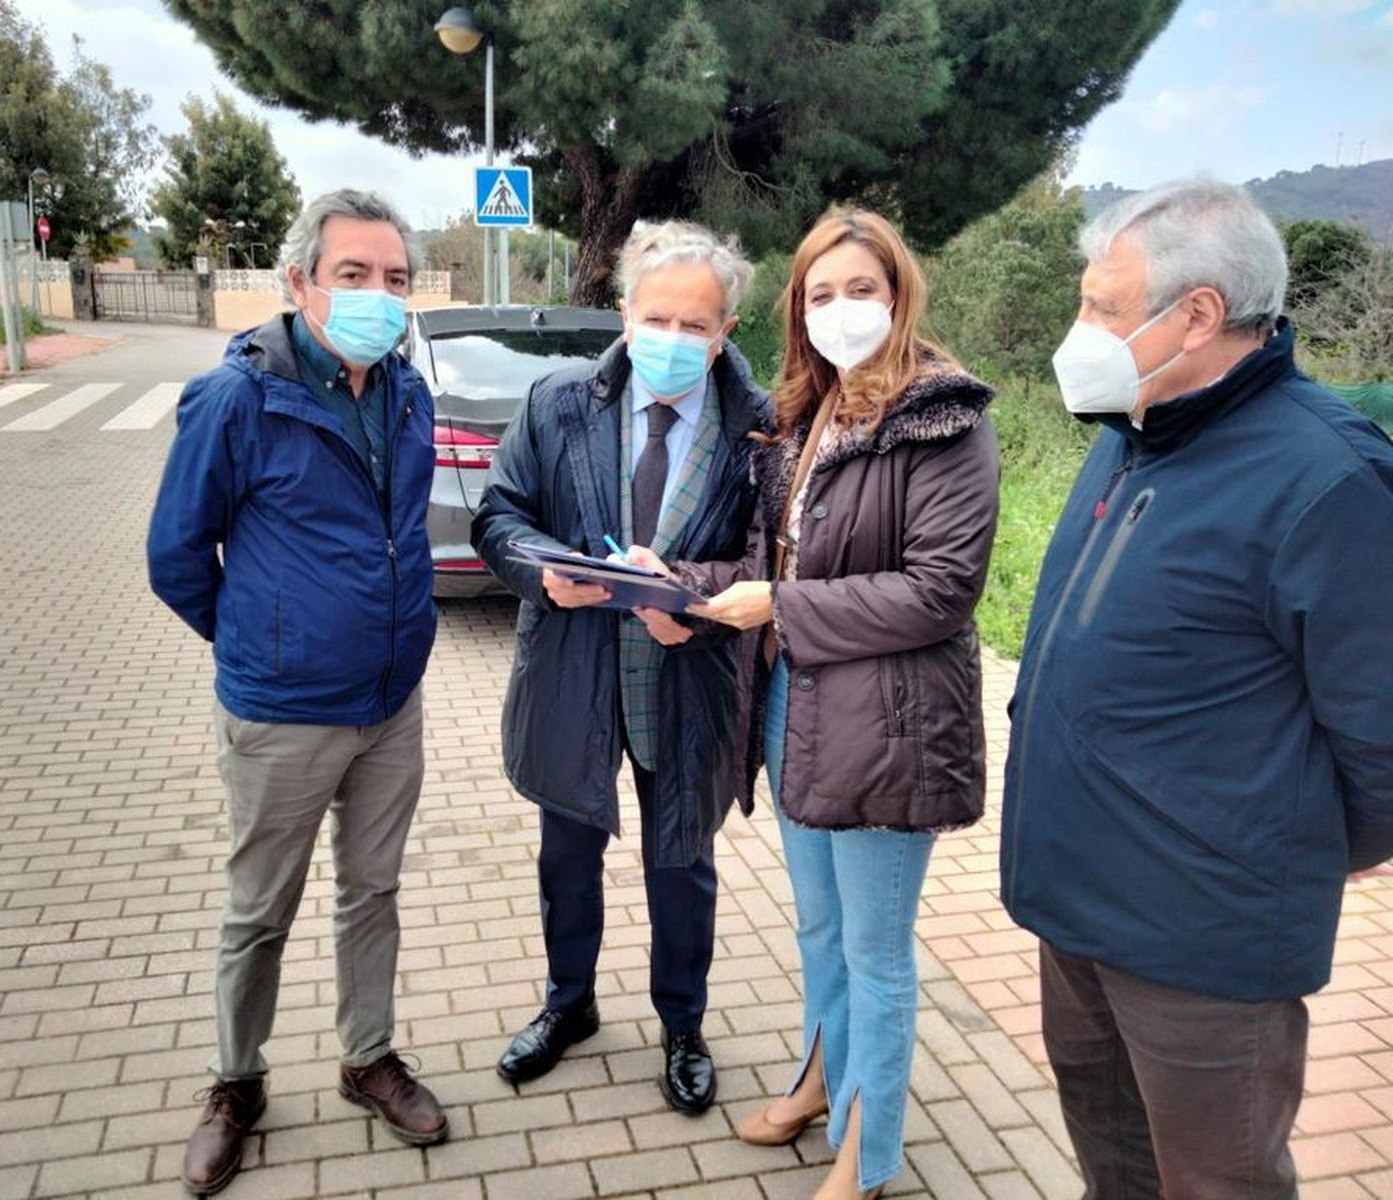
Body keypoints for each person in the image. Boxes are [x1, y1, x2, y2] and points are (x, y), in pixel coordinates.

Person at [1000, 179, 1393, 1199]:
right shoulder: (1128, 431)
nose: (1078, 330)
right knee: (1113, 1168)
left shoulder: (1326, 480)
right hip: (1075, 906)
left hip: (1204, 946)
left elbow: (1383, 740)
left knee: (1218, 1184)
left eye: (1100, 308)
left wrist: (1274, 852)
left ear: (1200, 315)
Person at [652, 208, 999, 1199]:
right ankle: (818, 1080)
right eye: (820, 293)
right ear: (799, 310)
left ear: (899, 298)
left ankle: (868, 1153)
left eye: (863, 289)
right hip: (795, 709)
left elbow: (940, 590)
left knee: (874, 951)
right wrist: (671, 580)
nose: (841, 309)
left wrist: (782, 605)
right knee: (816, 929)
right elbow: (777, 564)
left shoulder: (943, 418)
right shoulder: (808, 415)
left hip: (889, 728)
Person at [147, 189, 448, 1196]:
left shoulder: (407, 392)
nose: (377, 294)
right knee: (258, 909)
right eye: (353, 274)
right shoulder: (238, 398)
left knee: (374, 893)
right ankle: (235, 1082)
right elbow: (177, 556)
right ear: (299, 283)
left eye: (395, 279)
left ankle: (367, 1056)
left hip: (390, 704)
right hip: (280, 714)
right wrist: (259, 644)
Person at [471, 221, 768, 1113]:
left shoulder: (760, 429)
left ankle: (683, 1023)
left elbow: (773, 562)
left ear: (724, 333)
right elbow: (498, 516)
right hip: (574, 671)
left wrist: (702, 614)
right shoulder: (559, 402)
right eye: (656, 317)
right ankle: (569, 1006)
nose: (673, 339)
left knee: (682, 862)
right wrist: (539, 570)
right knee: (567, 853)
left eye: (696, 325)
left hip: (686, 683)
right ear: (625, 313)